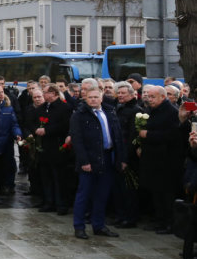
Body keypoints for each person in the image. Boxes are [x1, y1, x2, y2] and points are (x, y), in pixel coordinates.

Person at [70, 88, 125, 239]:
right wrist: (84, 161)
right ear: (85, 99)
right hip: (89, 158)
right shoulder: (79, 115)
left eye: (96, 97)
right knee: (84, 193)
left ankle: (99, 225)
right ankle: (79, 226)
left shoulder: (110, 112)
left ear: (101, 98)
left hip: (108, 156)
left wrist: (121, 158)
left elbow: (118, 136)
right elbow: (77, 140)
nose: (93, 100)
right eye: (90, 97)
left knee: (102, 193)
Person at [138, 85, 184, 234]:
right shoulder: (150, 110)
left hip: (166, 161)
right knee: (156, 192)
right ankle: (159, 220)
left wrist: (149, 135)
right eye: (148, 97)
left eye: (152, 97)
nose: (149, 99)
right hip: (153, 159)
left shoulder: (171, 112)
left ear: (162, 97)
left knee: (166, 194)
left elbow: (172, 135)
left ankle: (169, 223)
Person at [37, 84, 73, 214]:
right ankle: (49, 202)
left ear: (53, 93)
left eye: (45, 92)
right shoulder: (43, 107)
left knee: (59, 178)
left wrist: (47, 130)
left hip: (57, 147)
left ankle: (61, 204)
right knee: (46, 177)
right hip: (44, 147)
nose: (43, 94)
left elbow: (65, 126)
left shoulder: (65, 107)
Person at [113, 81, 142, 228]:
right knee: (118, 187)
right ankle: (120, 214)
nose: (120, 95)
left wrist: (125, 158)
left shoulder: (136, 110)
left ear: (132, 94)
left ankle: (130, 217)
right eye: (118, 93)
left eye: (123, 93)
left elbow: (132, 136)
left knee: (129, 188)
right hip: (117, 152)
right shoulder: (118, 108)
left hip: (128, 155)